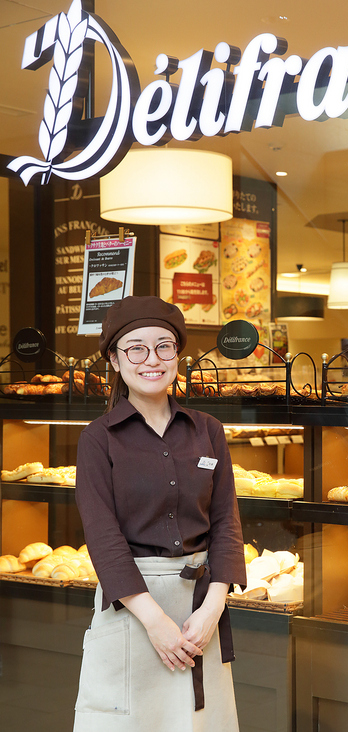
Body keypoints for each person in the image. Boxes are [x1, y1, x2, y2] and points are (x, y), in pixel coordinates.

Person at [73, 295, 246, 731]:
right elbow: (103, 537)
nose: (152, 359)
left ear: (177, 355)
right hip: (132, 609)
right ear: (114, 359)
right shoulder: (98, 439)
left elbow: (226, 522)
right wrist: (155, 622)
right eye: (136, 348)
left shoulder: (207, 429)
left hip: (199, 610)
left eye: (164, 346)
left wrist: (211, 609)